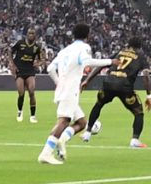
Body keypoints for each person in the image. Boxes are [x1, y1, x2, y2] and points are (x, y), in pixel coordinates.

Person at [37, 24, 108, 165]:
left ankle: (62, 139)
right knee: (63, 121)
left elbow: (51, 68)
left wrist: (59, 83)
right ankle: (45, 153)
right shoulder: (84, 48)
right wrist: (110, 62)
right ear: (87, 35)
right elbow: (87, 62)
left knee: (82, 123)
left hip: (64, 89)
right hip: (70, 90)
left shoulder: (65, 50)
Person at [85, 37, 151, 148]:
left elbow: (102, 65)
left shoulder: (120, 52)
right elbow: (146, 76)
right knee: (138, 113)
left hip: (108, 83)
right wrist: (149, 96)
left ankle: (87, 132)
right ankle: (135, 140)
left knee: (98, 104)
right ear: (139, 47)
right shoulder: (140, 56)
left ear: (129, 45)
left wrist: (87, 80)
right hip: (125, 87)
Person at [10, 33, 44, 123]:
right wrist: (12, 64)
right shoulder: (20, 43)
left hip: (30, 71)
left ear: (35, 37)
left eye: (33, 34)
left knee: (32, 92)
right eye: (29, 34)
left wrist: (37, 64)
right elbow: (10, 51)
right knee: (21, 93)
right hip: (19, 71)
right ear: (27, 35)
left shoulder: (37, 47)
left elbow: (42, 59)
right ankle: (20, 111)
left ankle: (32, 116)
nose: (31, 35)